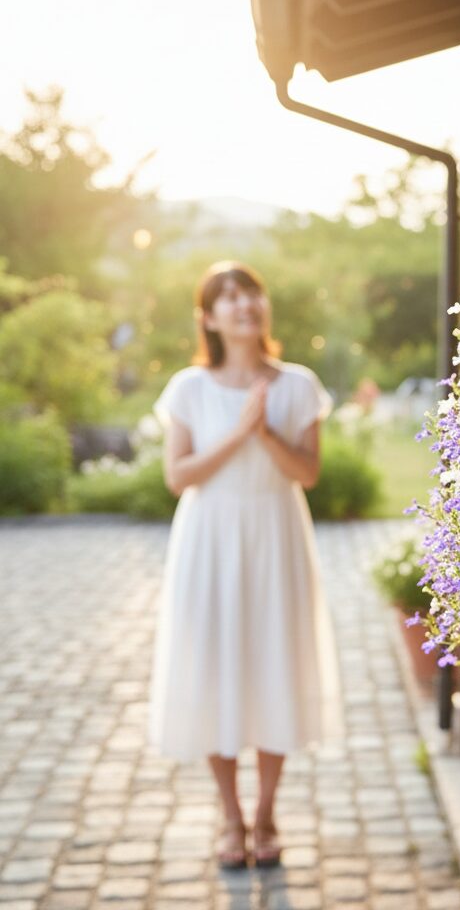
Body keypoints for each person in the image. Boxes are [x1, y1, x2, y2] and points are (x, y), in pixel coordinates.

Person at [147, 260, 343, 869]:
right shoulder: (189, 387)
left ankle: (266, 814)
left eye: (251, 293)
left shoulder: (298, 385)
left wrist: (265, 434)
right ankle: (231, 816)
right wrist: (238, 432)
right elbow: (178, 476)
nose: (244, 305)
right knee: (216, 669)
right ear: (208, 317)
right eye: (228, 298)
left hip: (276, 534)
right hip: (209, 539)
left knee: (274, 663)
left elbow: (307, 473)